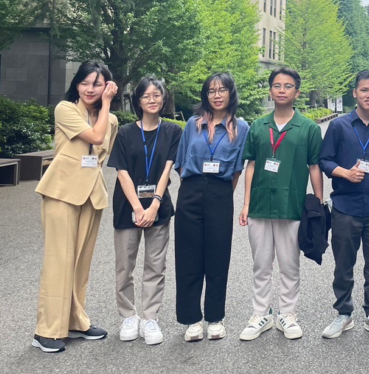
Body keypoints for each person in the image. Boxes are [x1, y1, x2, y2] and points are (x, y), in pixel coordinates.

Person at [32, 61, 119, 353]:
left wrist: (106, 110)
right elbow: (95, 138)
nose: (91, 89)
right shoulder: (65, 109)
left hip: (92, 194)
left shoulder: (112, 120)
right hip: (61, 192)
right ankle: (46, 330)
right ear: (77, 84)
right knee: (59, 260)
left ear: (108, 85)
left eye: (98, 83)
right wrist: (106, 104)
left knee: (81, 262)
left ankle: (74, 321)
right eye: (86, 82)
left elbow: (100, 155)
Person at [238, 68, 324, 341]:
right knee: (261, 264)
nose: (282, 90)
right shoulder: (258, 126)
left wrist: (318, 205)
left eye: (288, 86)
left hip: (293, 206)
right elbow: (250, 165)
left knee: (289, 264)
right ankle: (261, 313)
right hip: (260, 206)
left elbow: (314, 167)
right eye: (277, 85)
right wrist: (245, 204)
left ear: (296, 92)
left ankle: (287, 313)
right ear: (270, 90)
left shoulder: (308, 128)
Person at [319, 70, 369, 339]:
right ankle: (344, 313)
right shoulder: (339, 126)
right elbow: (325, 161)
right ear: (355, 93)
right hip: (345, 207)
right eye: (364, 90)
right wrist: (345, 173)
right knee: (343, 264)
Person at [174, 72, 249, 342]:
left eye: (222, 90)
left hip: (220, 192)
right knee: (188, 255)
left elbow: (239, 167)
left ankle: (215, 317)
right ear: (205, 96)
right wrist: (195, 185)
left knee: (218, 255)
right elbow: (180, 163)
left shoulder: (242, 128)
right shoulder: (193, 125)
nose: (216, 95)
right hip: (191, 189)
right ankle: (191, 319)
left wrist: (222, 192)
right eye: (211, 91)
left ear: (231, 93)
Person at [108, 77, 181, 346]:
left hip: (158, 208)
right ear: (138, 101)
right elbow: (122, 172)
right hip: (128, 207)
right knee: (124, 265)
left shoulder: (173, 131)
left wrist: (154, 204)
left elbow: (167, 170)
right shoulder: (126, 132)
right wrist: (139, 208)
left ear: (163, 98)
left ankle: (150, 317)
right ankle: (128, 316)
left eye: (157, 95)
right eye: (146, 96)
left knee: (155, 265)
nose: (152, 99)